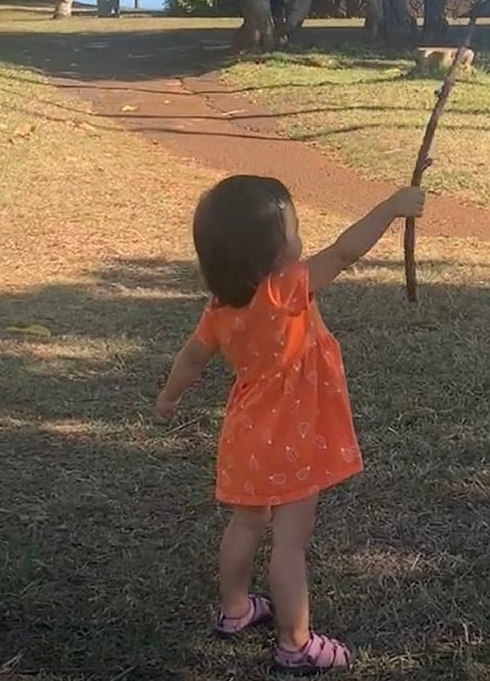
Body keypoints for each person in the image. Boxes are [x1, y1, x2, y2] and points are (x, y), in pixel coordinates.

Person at [154, 176, 425, 675]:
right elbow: (345, 252)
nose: (301, 238)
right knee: (290, 542)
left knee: (247, 522)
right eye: (294, 228)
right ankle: (295, 642)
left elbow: (192, 358)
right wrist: (391, 207)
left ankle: (234, 609)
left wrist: (169, 398)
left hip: (245, 436)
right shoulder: (289, 290)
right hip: (293, 441)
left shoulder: (219, 308)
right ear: (270, 253)